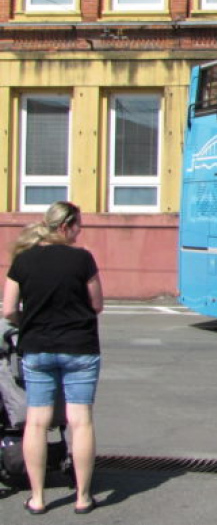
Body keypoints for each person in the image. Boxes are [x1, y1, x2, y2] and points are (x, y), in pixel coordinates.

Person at [2, 201, 104, 515]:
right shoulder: (83, 259)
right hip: (80, 348)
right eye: (78, 226)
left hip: (38, 348)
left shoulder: (23, 261)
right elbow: (97, 304)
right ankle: (83, 498)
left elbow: (8, 310)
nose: (80, 232)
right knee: (80, 421)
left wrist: (28, 322)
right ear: (65, 227)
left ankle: (37, 498)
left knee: (36, 422)